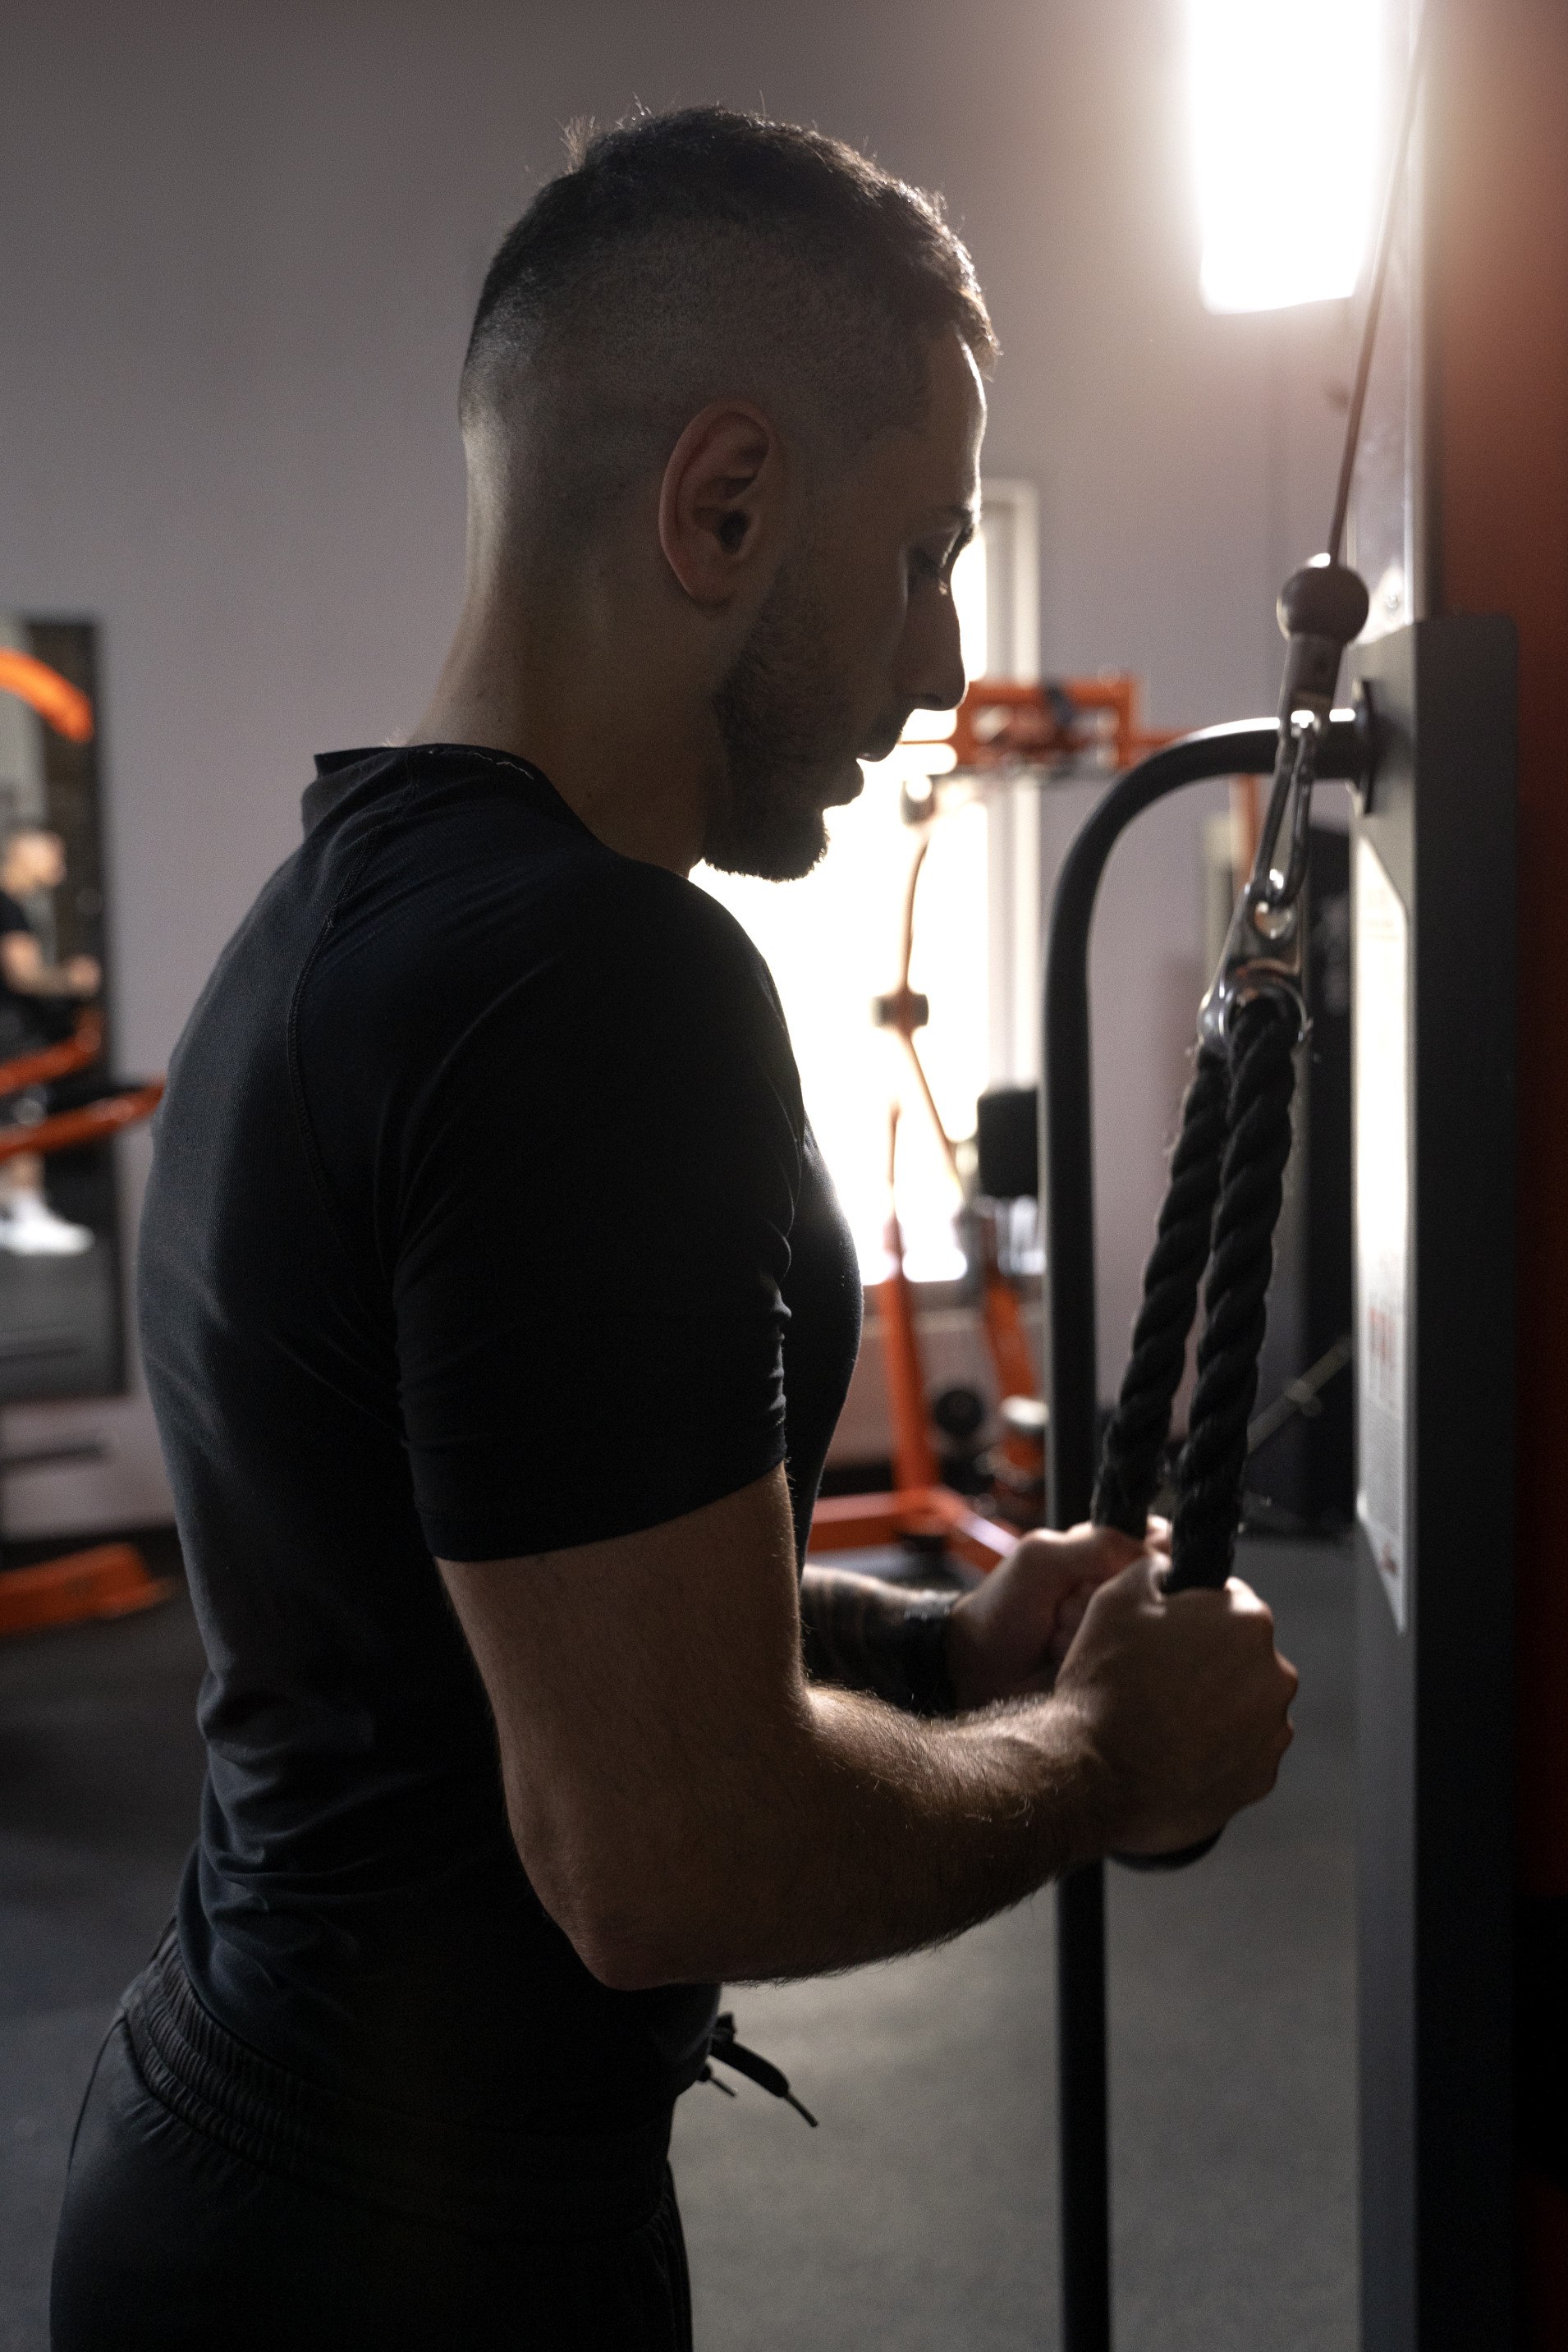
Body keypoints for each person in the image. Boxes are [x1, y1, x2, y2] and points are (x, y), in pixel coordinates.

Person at [51, 109, 1296, 2351]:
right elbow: (665, 1857)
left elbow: (497, 1596)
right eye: (919, 555)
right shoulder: (597, 987)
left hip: (266, 2166)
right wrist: (1107, 1757)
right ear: (722, 504)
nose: (935, 669)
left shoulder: (334, 908)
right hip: (399, 2270)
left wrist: (939, 1647)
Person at [0, 823, 100, 1256]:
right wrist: (72, 979)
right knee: (24, 1114)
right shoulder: (9, 908)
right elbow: (23, 973)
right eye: (52, 857)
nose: (58, 871)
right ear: (26, 850)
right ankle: (26, 1211)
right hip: (12, 1031)